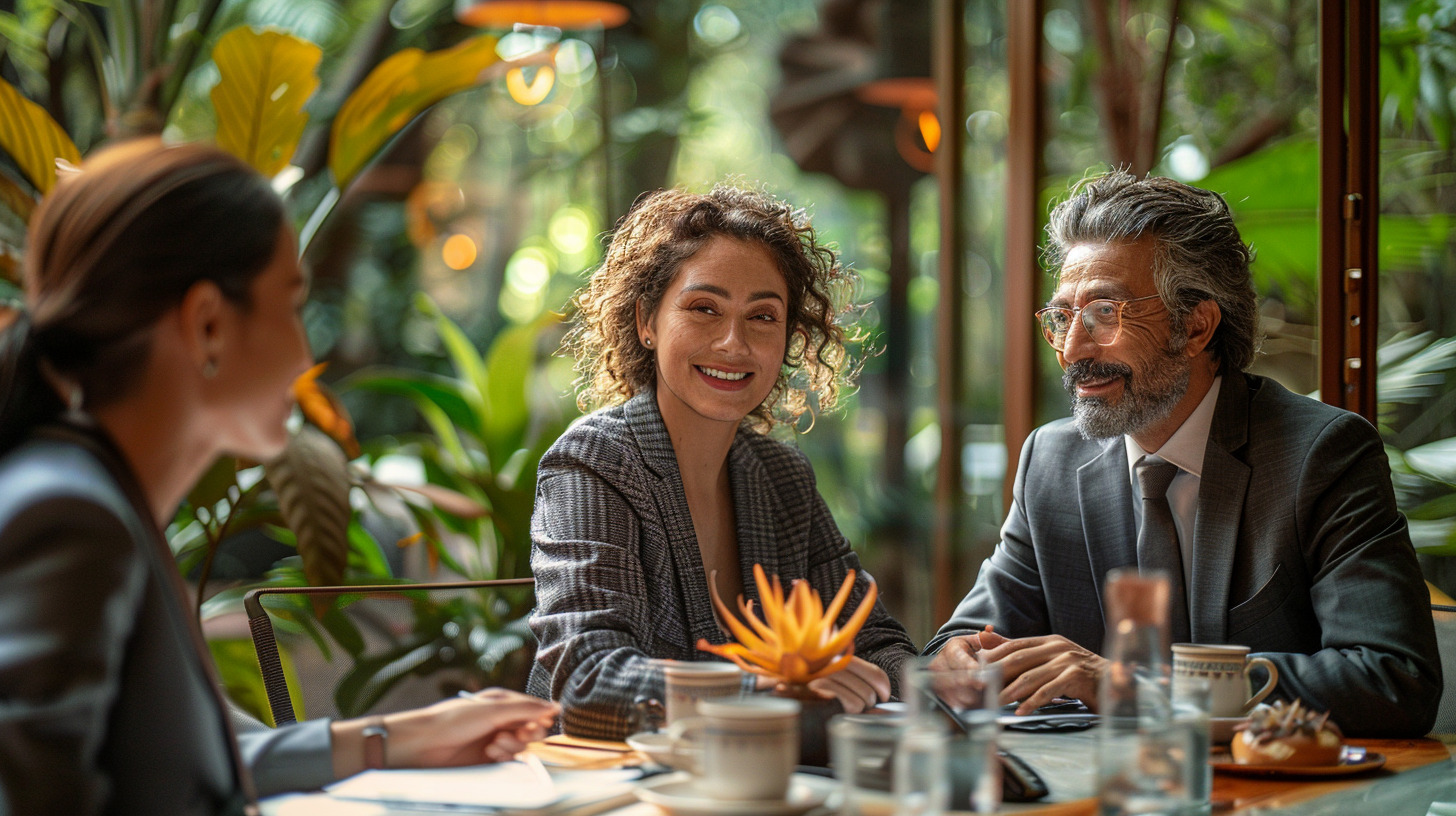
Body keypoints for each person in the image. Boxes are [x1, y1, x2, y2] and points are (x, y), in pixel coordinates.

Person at [0, 138, 558, 815]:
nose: (303, 354)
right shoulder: (71, 518)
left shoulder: (100, 499)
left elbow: (191, 761)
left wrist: (398, 737)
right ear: (208, 324)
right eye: (290, 306)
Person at [925, 170, 1441, 738]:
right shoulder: (1051, 461)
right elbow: (964, 640)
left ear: (1196, 325)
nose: (1073, 350)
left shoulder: (1319, 454)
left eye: (1105, 313)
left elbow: (1395, 680)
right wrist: (959, 662)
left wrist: (1135, 688)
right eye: (1063, 317)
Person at [528, 186, 917, 739]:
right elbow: (588, 682)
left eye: (762, 317)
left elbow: (873, 640)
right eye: (704, 308)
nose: (734, 343)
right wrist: (763, 689)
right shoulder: (594, 461)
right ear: (646, 320)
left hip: (759, 783)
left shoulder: (782, 476)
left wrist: (939, 677)